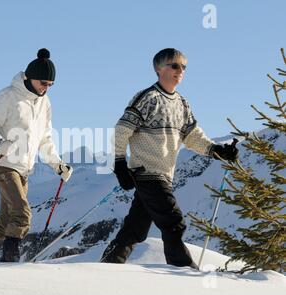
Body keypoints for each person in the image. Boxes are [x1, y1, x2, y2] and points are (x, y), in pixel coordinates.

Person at [101, 48, 238, 269]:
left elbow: (193, 136)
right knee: (173, 222)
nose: (180, 70)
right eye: (174, 65)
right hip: (147, 173)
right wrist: (119, 164)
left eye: (183, 66)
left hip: (165, 174)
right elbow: (121, 131)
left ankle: (108, 265)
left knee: (135, 228)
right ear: (159, 69)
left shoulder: (182, 104)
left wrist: (216, 150)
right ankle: (183, 270)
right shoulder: (147, 98)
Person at [0, 48, 73, 263]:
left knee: (4, 223)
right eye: (43, 83)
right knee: (21, 214)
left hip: (24, 169)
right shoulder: (9, 95)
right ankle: (10, 266)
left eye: (50, 85)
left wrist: (57, 165)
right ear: (29, 77)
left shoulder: (45, 103)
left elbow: (45, 138)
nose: (46, 88)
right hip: (3, 164)